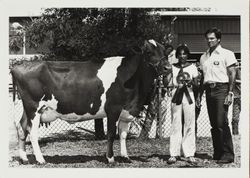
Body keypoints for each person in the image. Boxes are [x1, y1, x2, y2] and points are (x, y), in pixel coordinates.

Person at [199, 27, 236, 164]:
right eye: (207, 38)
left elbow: (232, 73)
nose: (209, 41)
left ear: (218, 39)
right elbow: (203, 77)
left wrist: (230, 92)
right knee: (214, 123)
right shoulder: (204, 57)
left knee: (221, 122)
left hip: (222, 89)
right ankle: (218, 152)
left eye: (212, 38)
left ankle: (228, 154)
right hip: (209, 90)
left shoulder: (227, 54)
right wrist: (199, 96)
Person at [167, 44, 200, 164]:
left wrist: (191, 83)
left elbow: (197, 85)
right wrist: (169, 80)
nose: (182, 56)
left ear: (187, 55)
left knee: (189, 123)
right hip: (176, 96)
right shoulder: (172, 67)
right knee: (175, 123)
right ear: (177, 56)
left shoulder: (192, 67)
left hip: (189, 97)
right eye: (180, 54)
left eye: (184, 53)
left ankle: (189, 153)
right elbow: (168, 83)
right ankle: (174, 154)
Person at [232, 63, 241, 135]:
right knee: (235, 118)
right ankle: (235, 134)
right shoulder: (236, 70)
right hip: (237, 97)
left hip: (239, 96)